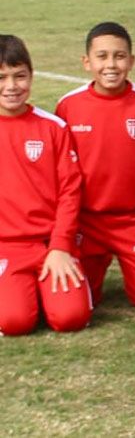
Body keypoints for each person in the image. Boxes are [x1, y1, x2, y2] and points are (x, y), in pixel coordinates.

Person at [55, 22, 135, 310]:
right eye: (102, 57)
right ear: (87, 62)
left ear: (131, 60)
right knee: (78, 298)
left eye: (119, 56)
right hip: (87, 222)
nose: (111, 65)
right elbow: (61, 176)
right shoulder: (68, 106)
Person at [0, 34, 91, 336]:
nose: (11, 86)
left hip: (49, 245)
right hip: (6, 248)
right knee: (14, 323)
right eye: (2, 78)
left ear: (31, 75)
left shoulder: (53, 128)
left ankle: (45, 292)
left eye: (19, 76)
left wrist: (61, 246)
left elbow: (69, 191)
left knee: (71, 319)